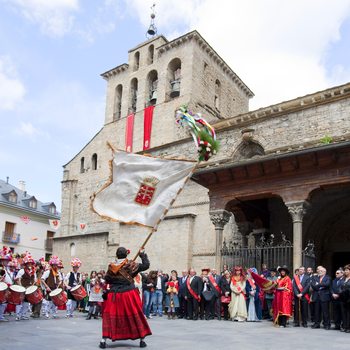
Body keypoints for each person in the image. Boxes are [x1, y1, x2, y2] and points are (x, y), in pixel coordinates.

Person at [100, 247, 151, 349]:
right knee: (135, 315)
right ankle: (142, 340)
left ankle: (103, 340)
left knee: (110, 317)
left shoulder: (111, 267)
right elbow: (146, 265)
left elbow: (107, 279)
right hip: (128, 294)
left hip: (114, 294)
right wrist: (142, 254)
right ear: (126, 255)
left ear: (116, 255)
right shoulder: (131, 265)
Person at [15, 252, 37, 321]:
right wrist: (21, 287)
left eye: (31, 263)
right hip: (22, 288)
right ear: (25, 264)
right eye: (28, 263)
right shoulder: (22, 270)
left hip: (29, 289)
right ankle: (18, 315)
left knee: (26, 303)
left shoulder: (34, 272)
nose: (30, 264)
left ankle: (23, 315)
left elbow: (35, 280)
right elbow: (17, 279)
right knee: (20, 302)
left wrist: (32, 287)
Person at [310, 266, 331, 330]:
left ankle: (326, 324)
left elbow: (327, 284)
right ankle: (317, 324)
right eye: (319, 271)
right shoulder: (315, 277)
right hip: (316, 296)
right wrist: (321, 285)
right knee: (317, 311)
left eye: (321, 271)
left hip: (324, 296)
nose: (319, 272)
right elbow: (313, 285)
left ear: (325, 272)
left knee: (325, 312)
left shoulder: (328, 277)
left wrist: (318, 284)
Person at [339, 264, 350, 333]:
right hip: (343, 298)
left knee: (349, 314)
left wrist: (345, 290)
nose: (345, 271)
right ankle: (345, 326)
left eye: (347, 270)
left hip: (349, 298)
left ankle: (348, 327)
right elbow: (340, 287)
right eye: (345, 270)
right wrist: (340, 291)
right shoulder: (343, 278)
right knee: (343, 313)